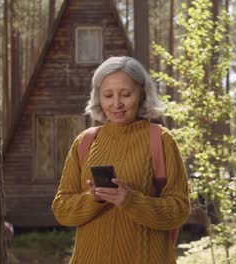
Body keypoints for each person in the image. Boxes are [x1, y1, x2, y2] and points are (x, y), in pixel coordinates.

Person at [52, 56, 190, 264]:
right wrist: (93, 199)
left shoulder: (161, 140)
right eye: (108, 95)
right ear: (99, 97)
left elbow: (179, 209)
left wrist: (130, 201)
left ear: (142, 94)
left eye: (126, 94)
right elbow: (62, 210)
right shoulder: (85, 141)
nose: (116, 104)